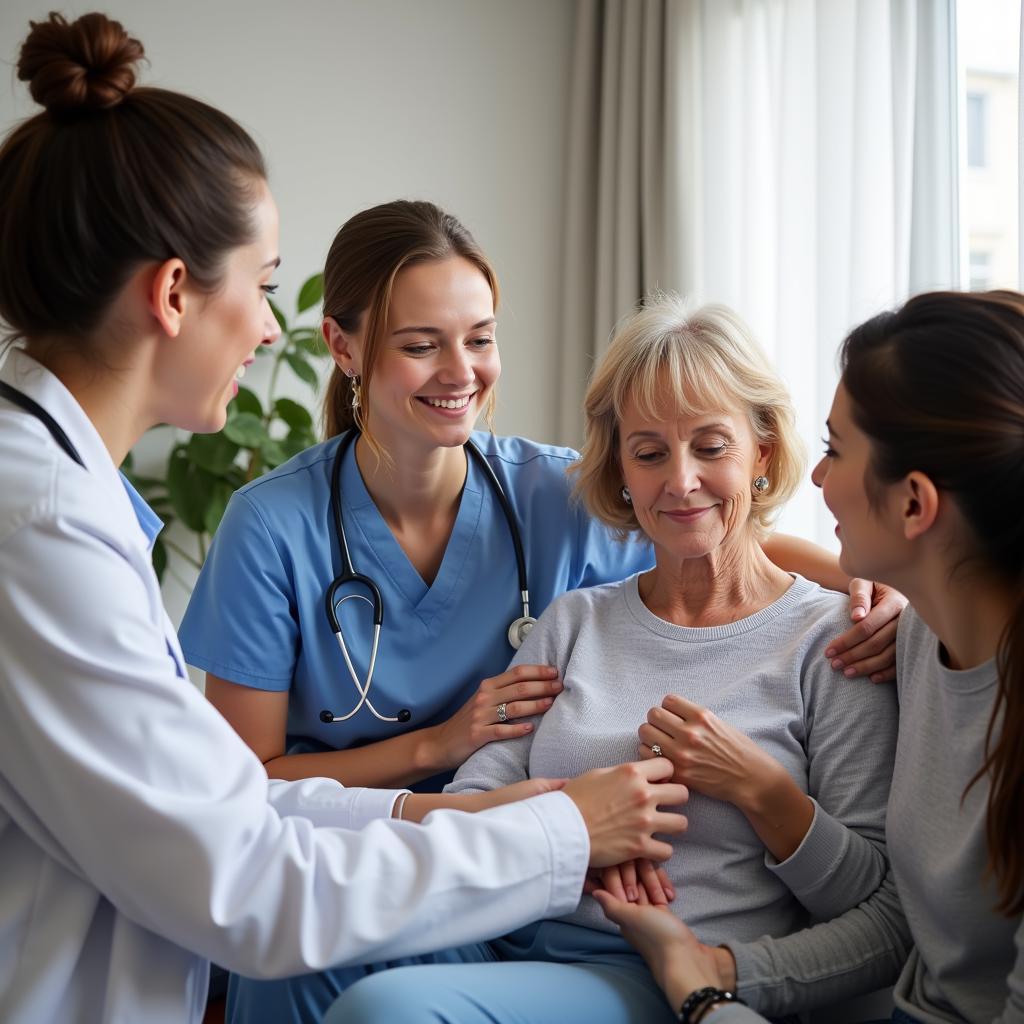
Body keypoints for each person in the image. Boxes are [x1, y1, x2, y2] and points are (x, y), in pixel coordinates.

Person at [0, 14, 691, 1024]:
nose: (271, 327)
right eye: (266, 285)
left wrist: (461, 806)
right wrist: (552, 829)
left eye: (480, 339)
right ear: (175, 293)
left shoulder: (54, 495)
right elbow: (247, 881)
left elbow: (223, 806)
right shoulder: (48, 528)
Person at [178, 203, 906, 1021]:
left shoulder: (549, 497)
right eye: (421, 345)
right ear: (342, 347)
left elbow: (726, 535)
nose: (460, 370)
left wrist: (875, 582)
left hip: (578, 920)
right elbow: (244, 788)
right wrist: (503, 786)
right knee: (283, 958)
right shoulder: (282, 528)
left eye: (480, 338)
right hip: (431, 862)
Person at [593, 290, 1024, 1023]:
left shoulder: (860, 652)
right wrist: (717, 969)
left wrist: (703, 988)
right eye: (650, 452)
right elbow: (902, 921)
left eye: (835, 449)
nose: (817, 479)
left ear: (915, 505)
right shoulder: (910, 638)